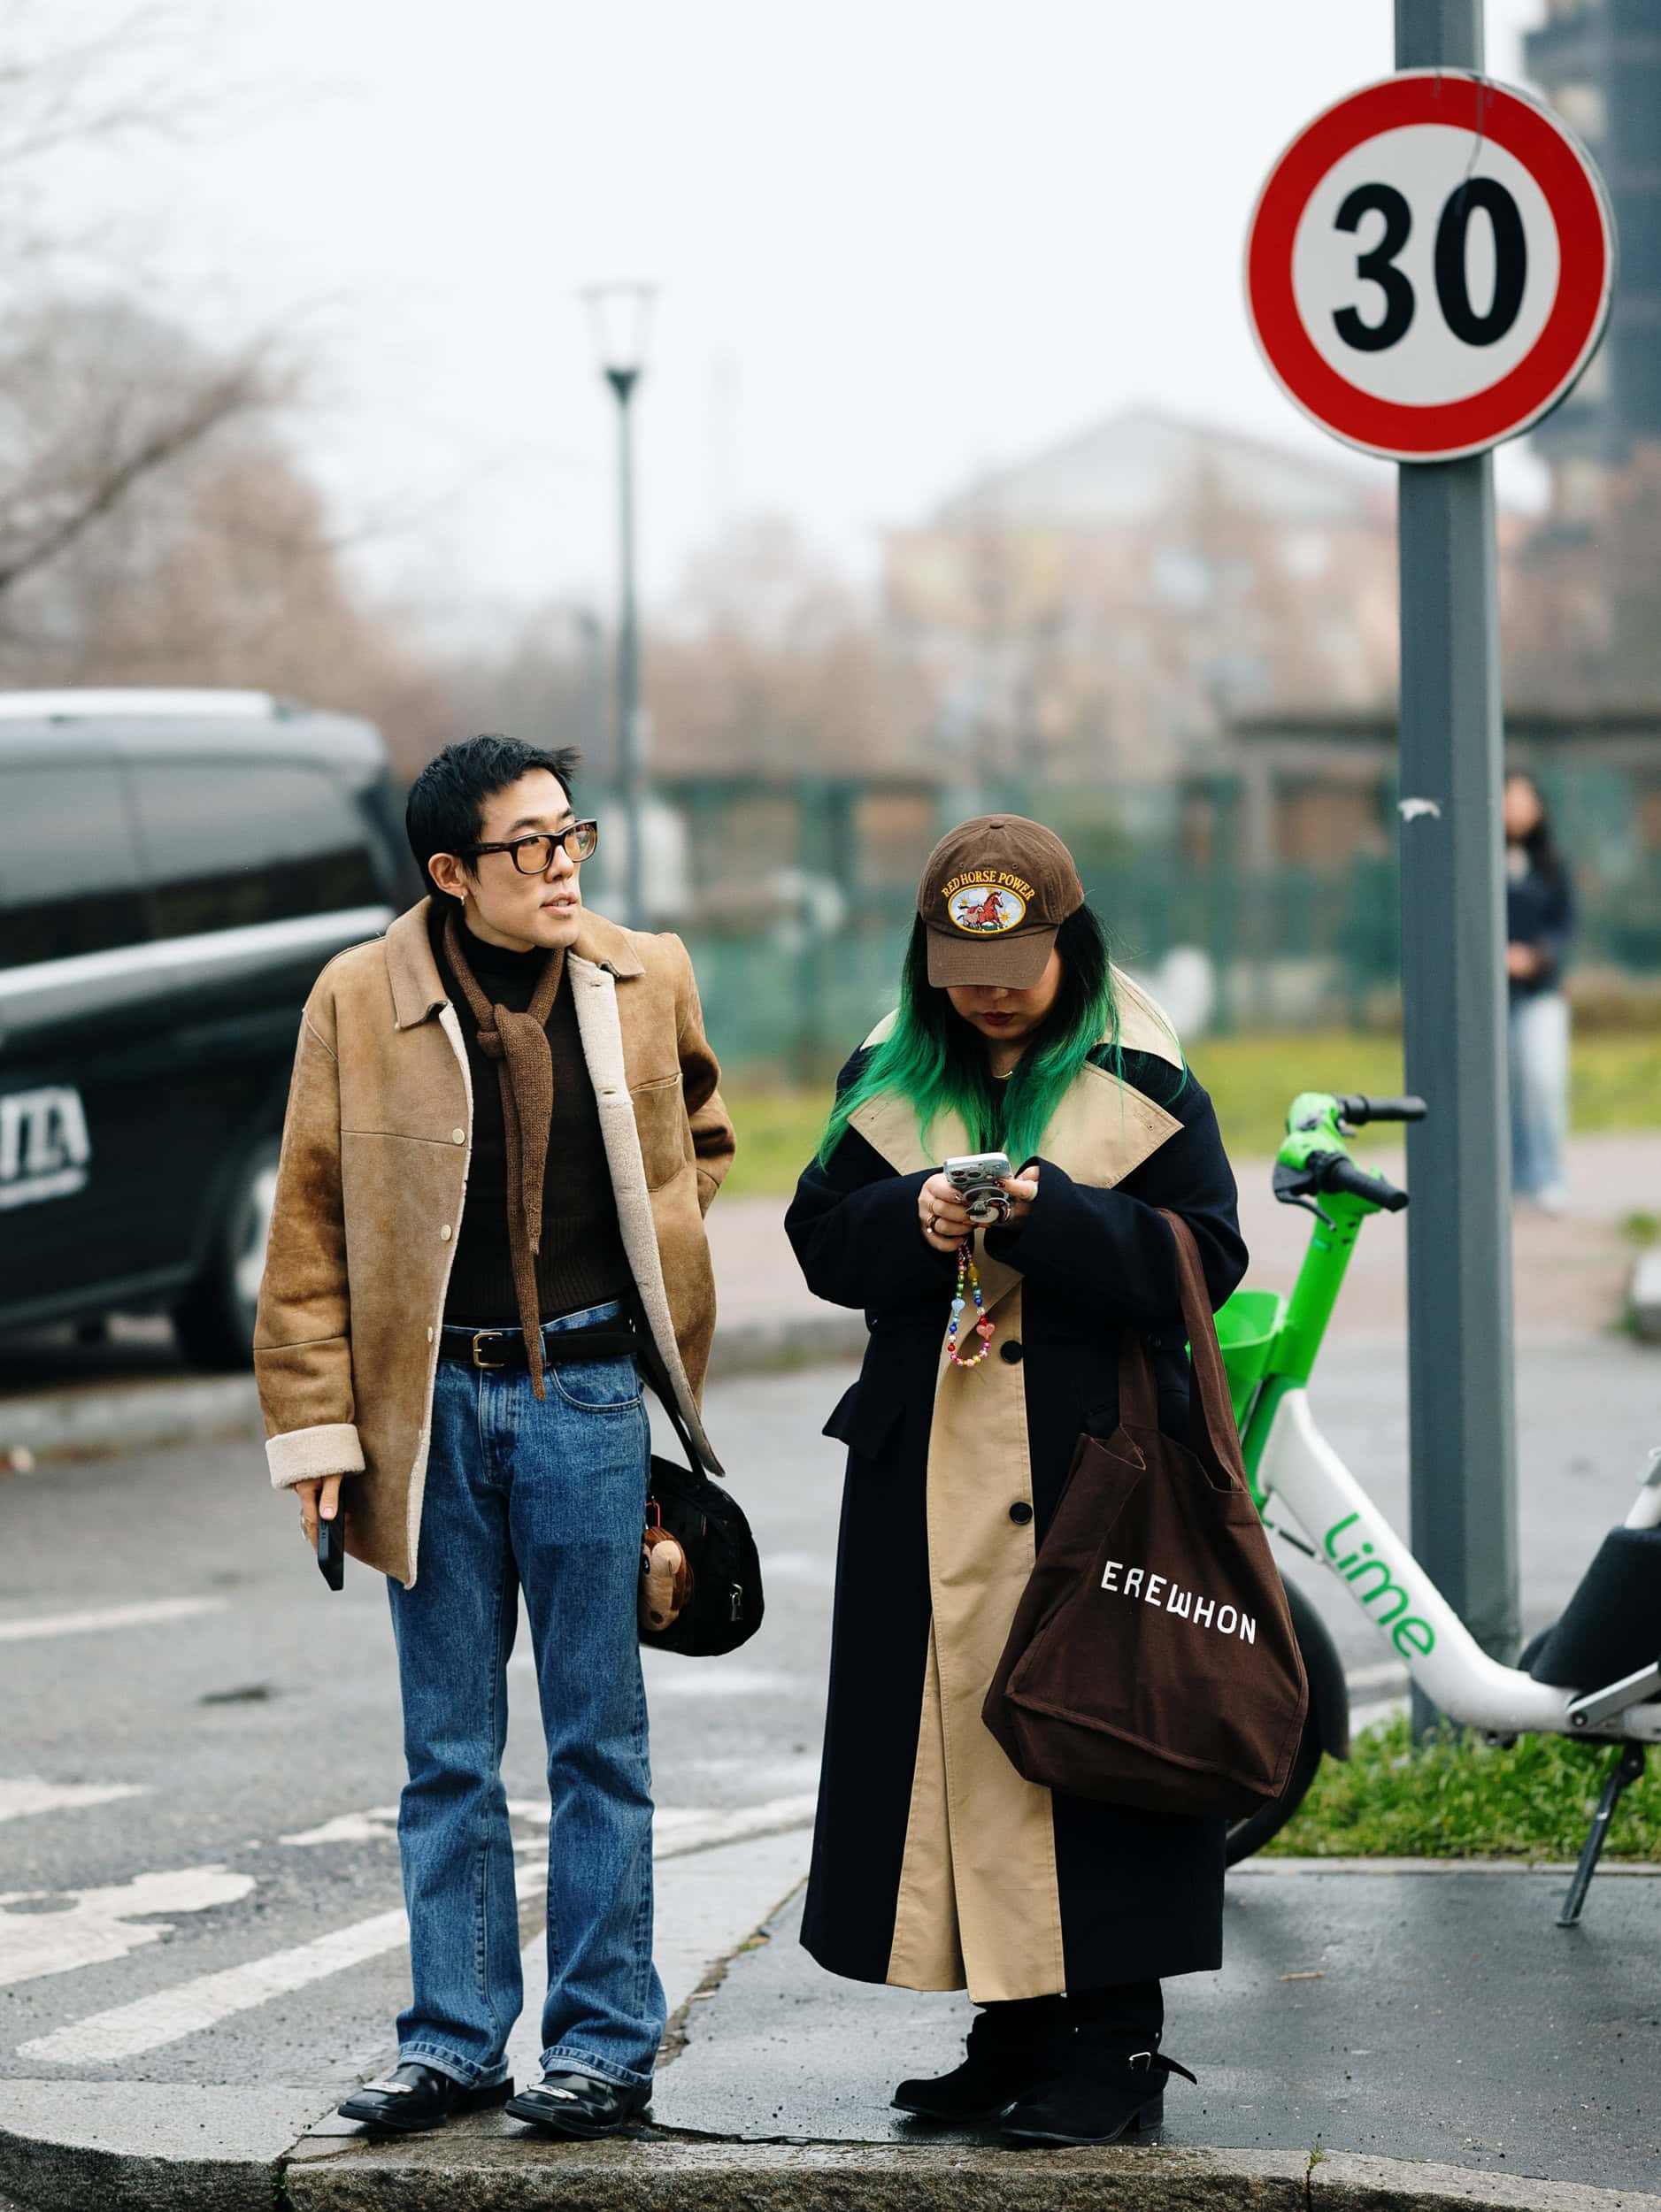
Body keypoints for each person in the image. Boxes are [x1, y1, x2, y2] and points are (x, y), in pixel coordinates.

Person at [253, 734, 734, 2139]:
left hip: (585, 1395)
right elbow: (308, 1229)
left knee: (600, 1741)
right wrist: (318, 1434)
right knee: (448, 1751)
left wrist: (667, 1238)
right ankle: (454, 2043)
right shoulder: (358, 999)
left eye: (571, 834)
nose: (563, 864)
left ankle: (601, 2047)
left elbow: (698, 1134)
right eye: (529, 846)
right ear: (451, 873)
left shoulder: (647, 976)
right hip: (423, 1413)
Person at [785, 815, 1247, 2150]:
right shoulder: (885, 1065)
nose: (983, 988)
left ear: (1069, 947)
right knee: (956, 1752)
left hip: (1095, 1471)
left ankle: (1112, 2046)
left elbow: (1205, 1258)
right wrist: (914, 1216)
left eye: (1016, 962)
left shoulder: (1140, 1069)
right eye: (956, 962)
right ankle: (1014, 2028)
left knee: (1093, 1738)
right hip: (924, 1476)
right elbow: (821, 1241)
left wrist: (1059, 1216)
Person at [1504, 771, 1575, 1211]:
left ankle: (1549, 1175)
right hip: (1495, 997)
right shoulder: (1483, 859)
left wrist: (1536, 956)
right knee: (1507, 1088)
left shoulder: (1552, 863)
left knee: (1542, 1081)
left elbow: (1566, 925)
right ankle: (1516, 1180)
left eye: (1523, 800)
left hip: (1540, 992)